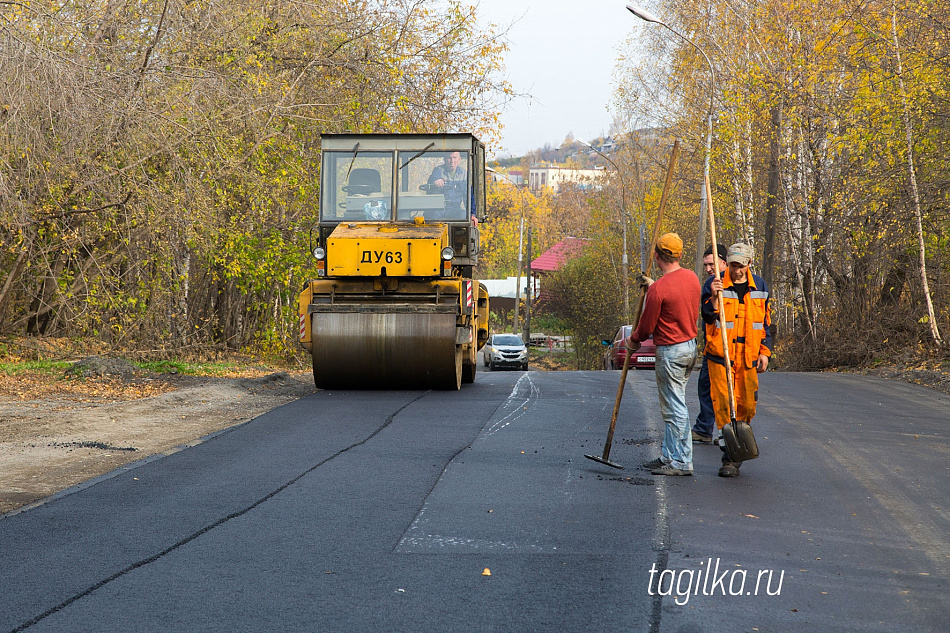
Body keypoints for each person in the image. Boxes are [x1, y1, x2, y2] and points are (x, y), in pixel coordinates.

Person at [626, 233, 702, 476]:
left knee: (674, 407)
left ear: (657, 256)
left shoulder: (659, 290)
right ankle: (669, 455)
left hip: (671, 351)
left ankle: (682, 462)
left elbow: (647, 327)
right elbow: (676, 296)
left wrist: (633, 340)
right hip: (689, 347)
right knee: (674, 401)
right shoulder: (691, 278)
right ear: (679, 254)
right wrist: (653, 287)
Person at [702, 242, 772, 477]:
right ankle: (729, 459)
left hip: (749, 357)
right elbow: (707, 318)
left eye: (741, 265)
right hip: (720, 357)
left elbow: (765, 323)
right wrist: (713, 296)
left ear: (749, 264)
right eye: (732, 265)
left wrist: (765, 351)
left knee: (746, 405)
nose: (737, 270)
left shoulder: (760, 286)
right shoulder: (715, 284)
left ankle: (737, 449)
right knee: (724, 407)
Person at [691, 244, 728, 445]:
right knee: (706, 387)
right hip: (713, 346)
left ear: (723, 262)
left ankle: (724, 431)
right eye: (705, 265)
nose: (708, 269)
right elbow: (706, 315)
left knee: (722, 391)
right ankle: (706, 428)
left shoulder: (732, 282)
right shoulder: (710, 285)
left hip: (727, 348)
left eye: (711, 264)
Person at [427, 151, 467, 218]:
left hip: (455, 209)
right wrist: (436, 181)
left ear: (459, 159)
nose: (452, 161)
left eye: (454, 157)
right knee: (432, 215)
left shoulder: (464, 174)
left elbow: (468, 196)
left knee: (465, 215)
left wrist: (472, 214)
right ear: (444, 159)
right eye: (449, 158)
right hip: (438, 209)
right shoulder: (438, 171)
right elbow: (432, 180)